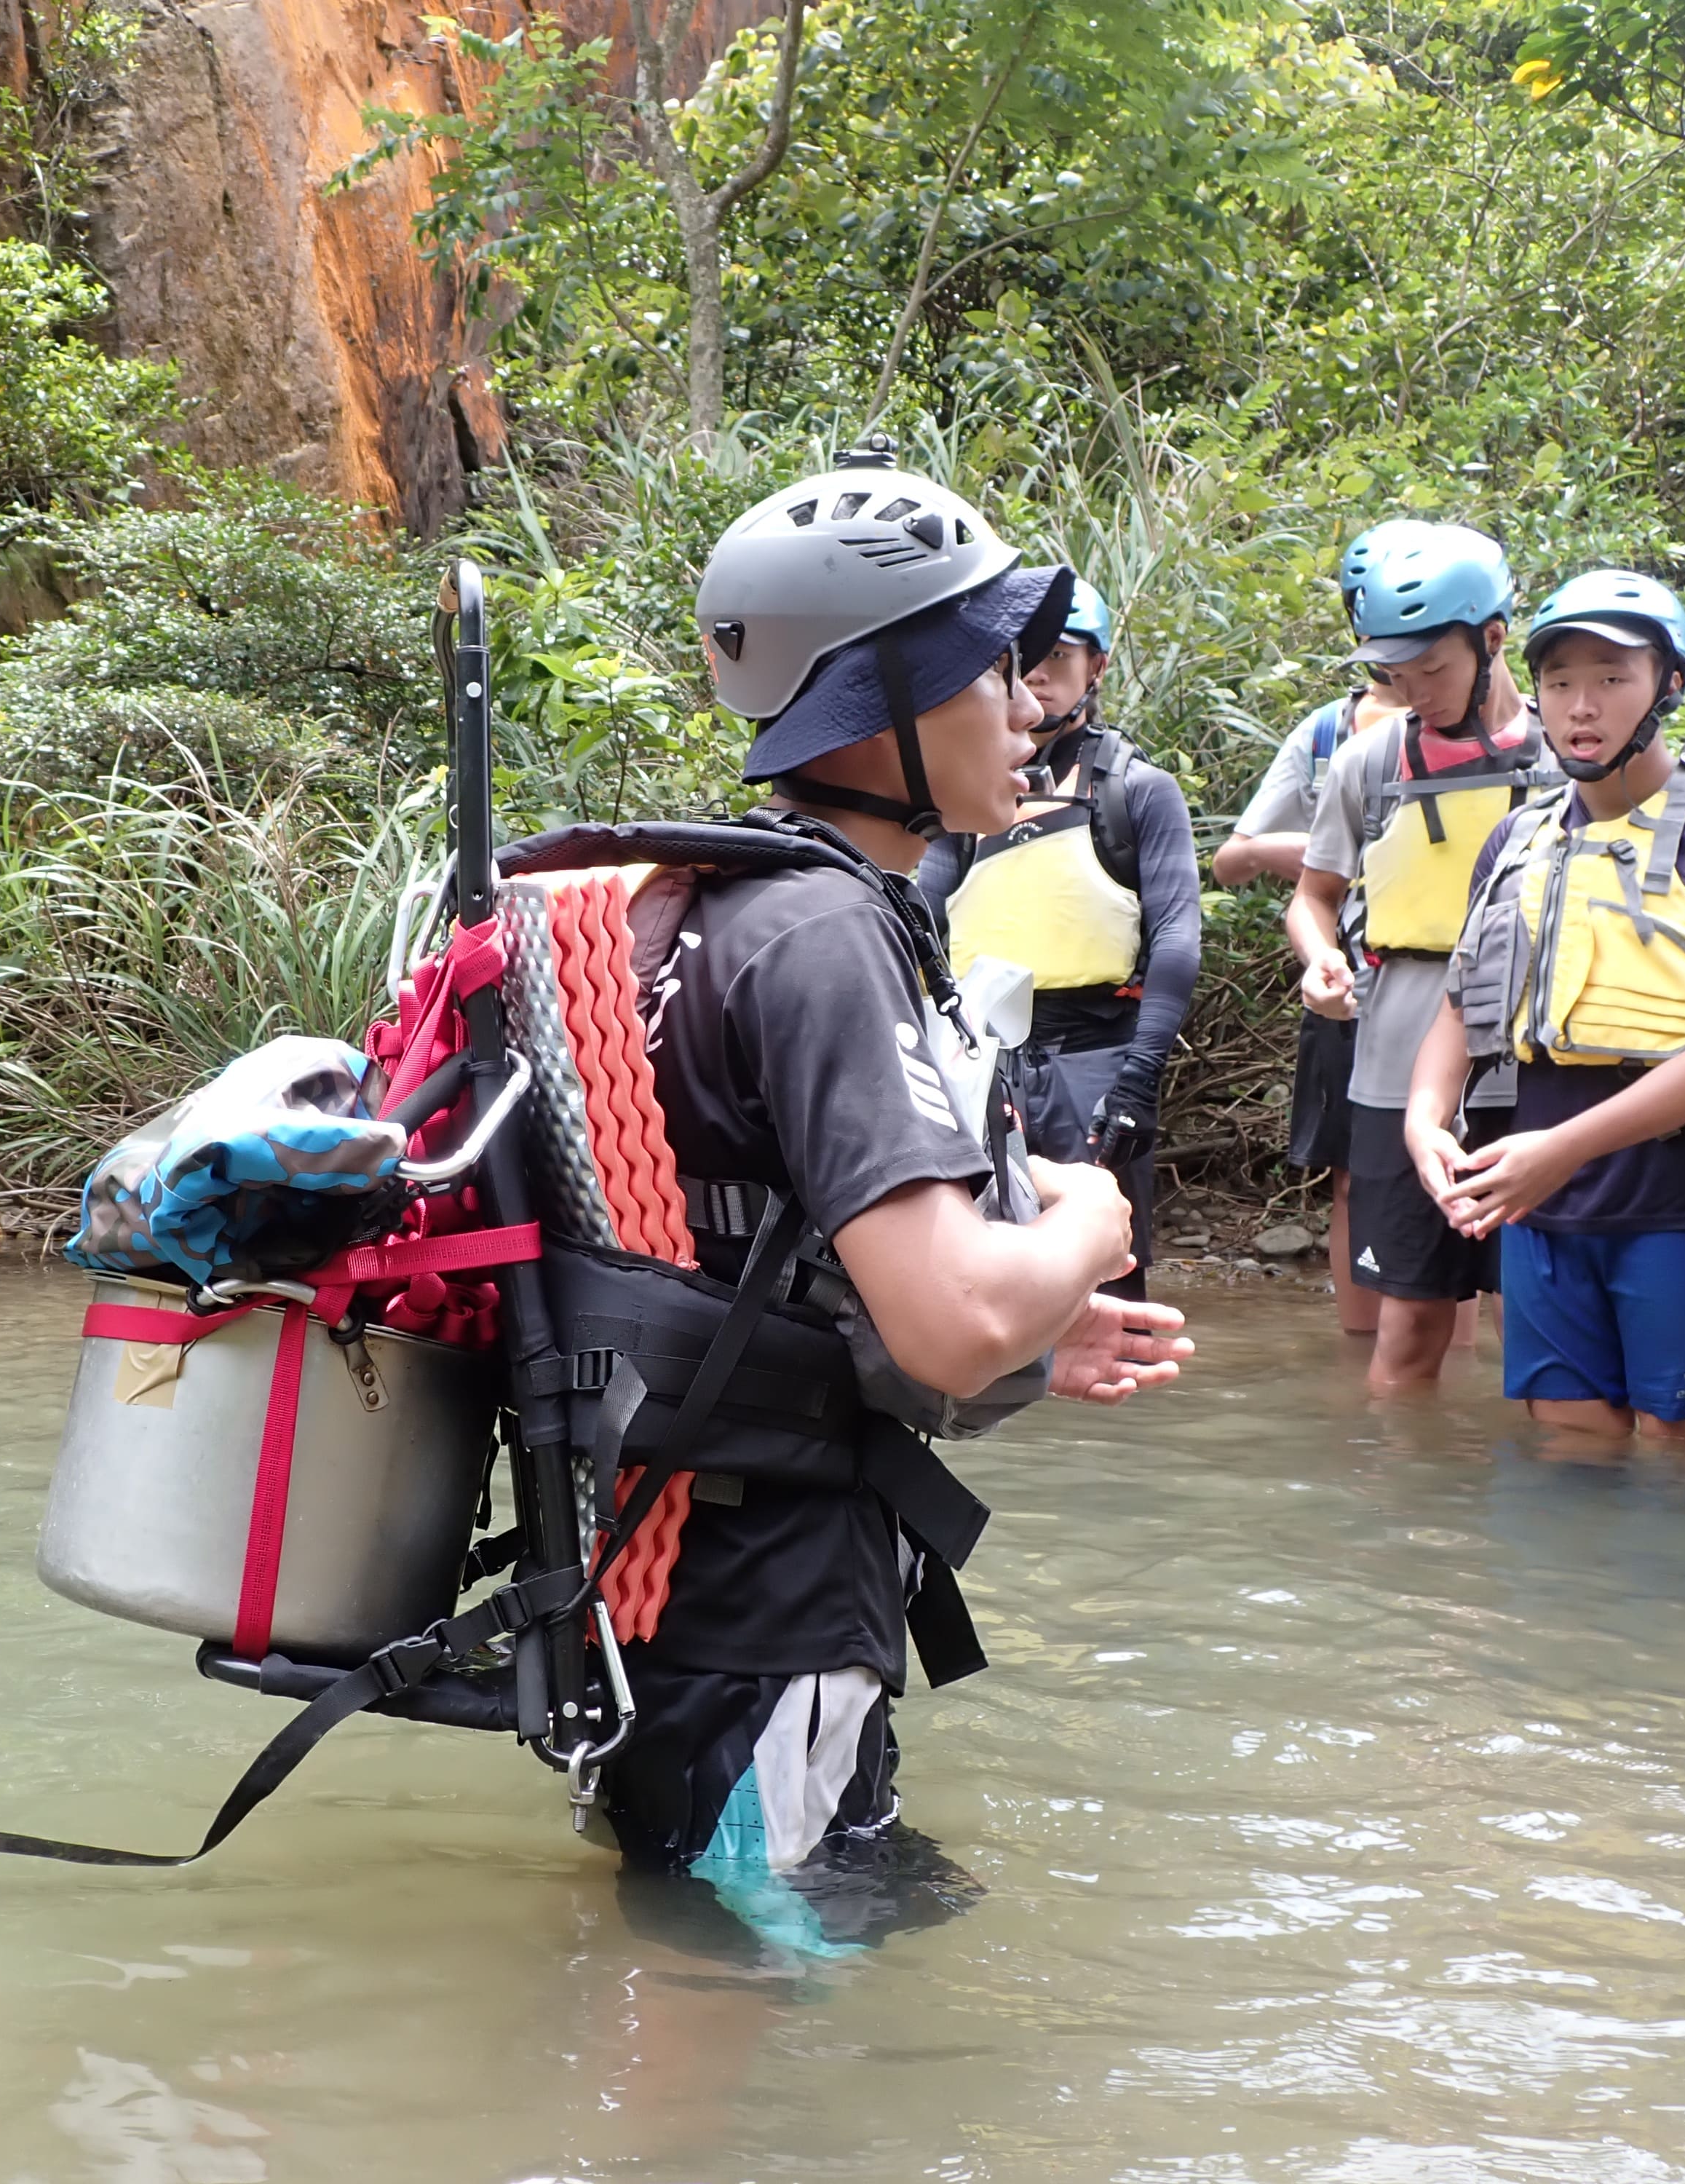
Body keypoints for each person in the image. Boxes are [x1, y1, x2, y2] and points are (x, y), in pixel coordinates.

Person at [595, 451, 1193, 1940]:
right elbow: (943, 1325)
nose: (1027, 706)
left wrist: (1037, 1339)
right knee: (727, 2002)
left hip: (658, 1585)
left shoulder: (696, 907)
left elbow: (740, 1268)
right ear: (885, 699)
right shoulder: (823, 938)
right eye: (991, 669)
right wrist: (1083, 1230)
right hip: (767, 1603)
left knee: (736, 1956)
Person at [1403, 571, 1685, 1439]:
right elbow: (1462, 1001)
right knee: (1569, 1434)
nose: (1579, 707)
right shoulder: (1519, 838)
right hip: (1538, 1189)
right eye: (1558, 683)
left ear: (1668, 684)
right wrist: (1423, 1118)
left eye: (1611, 678)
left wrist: (1560, 1151)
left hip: (1684, 1188)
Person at [1288, 522, 1539, 1390]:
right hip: (1395, 1054)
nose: (1413, 691)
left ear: (1492, 639)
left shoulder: (1564, 761)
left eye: (1431, 668)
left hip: (1534, 1063)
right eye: (1393, 674)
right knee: (1406, 1327)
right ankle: (1393, 1506)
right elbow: (1314, 896)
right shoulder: (1367, 762)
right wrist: (1321, 959)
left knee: (1537, 1322)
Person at [919, 582, 1202, 1299]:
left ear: (1096, 667)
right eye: (1015, 658)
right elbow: (917, 916)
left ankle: (1105, 1404)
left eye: (1055, 654)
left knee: (1103, 1278)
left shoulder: (1136, 790)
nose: (1035, 672)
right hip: (981, 1062)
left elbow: (1175, 937)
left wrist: (1138, 1080)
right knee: (982, 1271)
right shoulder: (962, 797)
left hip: (1096, 1059)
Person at [1218, 541, 1416, 1334]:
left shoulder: (1496, 736)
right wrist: (1318, 853)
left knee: (1462, 1178)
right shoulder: (1327, 734)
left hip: (1456, 984)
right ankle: (1360, 1356)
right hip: (1346, 979)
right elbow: (1232, 859)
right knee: (1353, 1177)